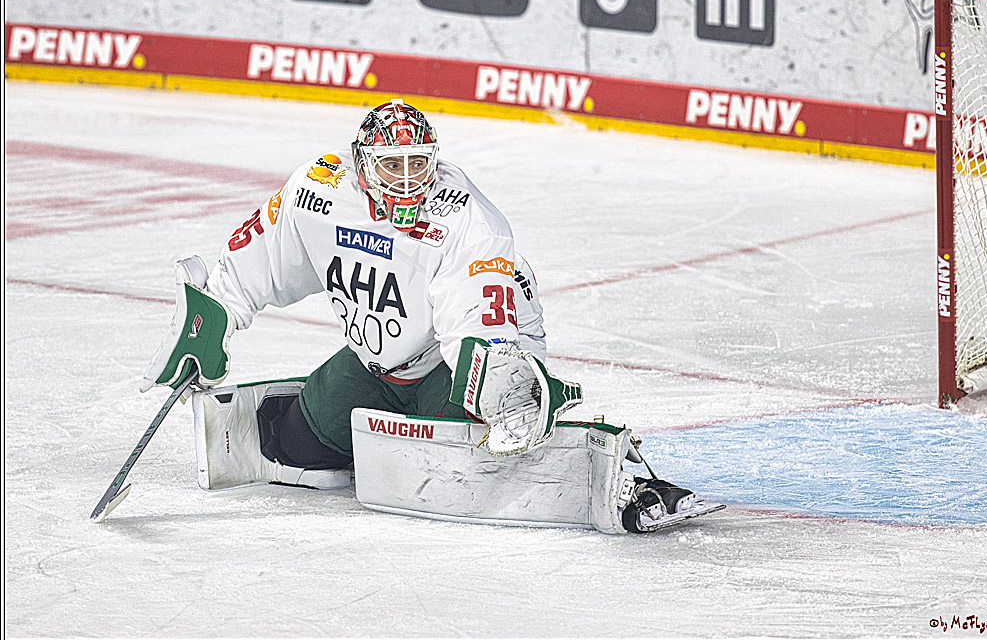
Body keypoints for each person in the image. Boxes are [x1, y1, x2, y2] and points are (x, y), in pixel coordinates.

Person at [140, 99, 713, 533]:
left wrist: (494, 379)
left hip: (455, 360)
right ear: (362, 164)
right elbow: (258, 258)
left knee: (476, 462)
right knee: (299, 444)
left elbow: (476, 314)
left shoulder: (465, 217)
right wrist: (212, 316)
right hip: (376, 363)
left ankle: (624, 478)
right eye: (393, 165)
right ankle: (370, 442)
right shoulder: (318, 191)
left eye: (420, 163)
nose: (409, 179)